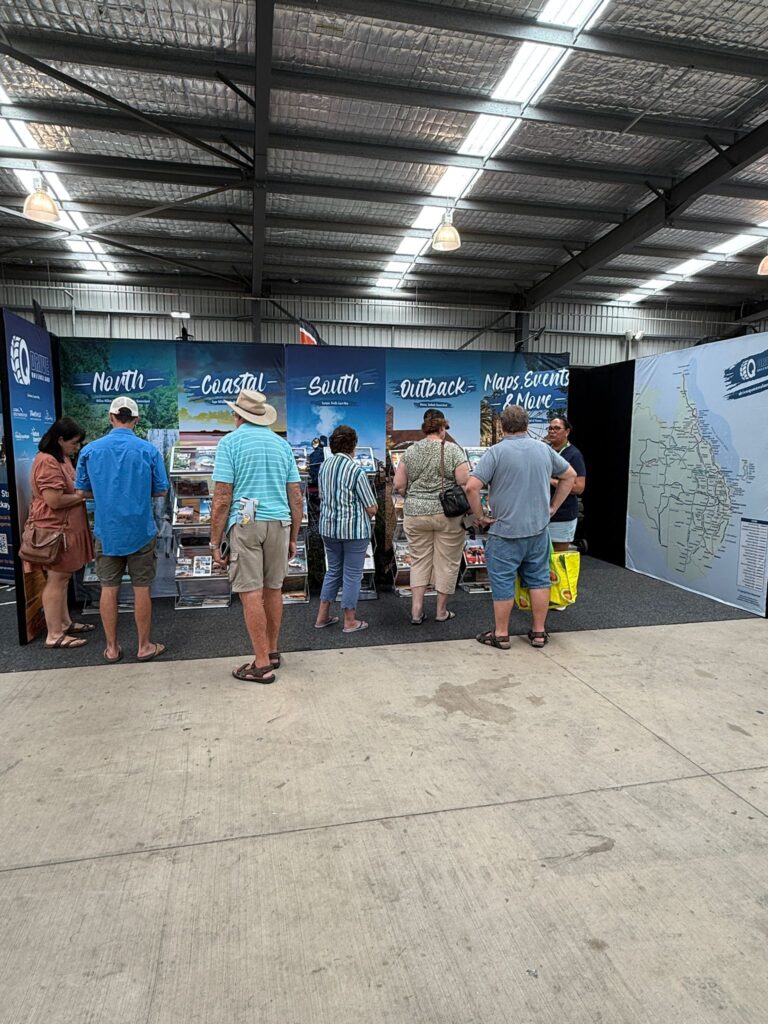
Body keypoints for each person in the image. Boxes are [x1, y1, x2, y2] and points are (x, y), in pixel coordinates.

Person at [209, 389, 303, 684]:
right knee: (274, 589)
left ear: (237, 415)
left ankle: (261, 663)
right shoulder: (281, 445)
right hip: (279, 521)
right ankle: (272, 651)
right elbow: (296, 497)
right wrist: (293, 537)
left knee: (251, 591)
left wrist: (214, 541)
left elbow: (223, 497)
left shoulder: (230, 443)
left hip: (246, 521)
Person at [466, 405, 576, 650]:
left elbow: (471, 487)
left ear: (502, 426)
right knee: (538, 580)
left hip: (505, 531)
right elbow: (570, 475)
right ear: (527, 424)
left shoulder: (495, 453)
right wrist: (553, 507)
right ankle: (539, 632)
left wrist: (481, 516)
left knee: (503, 582)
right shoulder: (543, 450)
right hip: (538, 530)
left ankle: (502, 634)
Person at [75, 396, 169, 664]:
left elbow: (81, 491)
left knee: (108, 589)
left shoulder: (90, 451)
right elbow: (161, 489)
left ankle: (112, 648)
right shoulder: (148, 450)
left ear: (110, 417)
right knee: (141, 589)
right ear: (136, 420)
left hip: (107, 531)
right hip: (141, 529)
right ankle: (144, 646)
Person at [392, 411, 470, 624]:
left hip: (415, 514)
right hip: (447, 514)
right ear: (442, 429)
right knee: (446, 562)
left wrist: (413, 496)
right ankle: (440, 611)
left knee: (419, 561)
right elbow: (464, 482)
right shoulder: (453, 450)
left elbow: (399, 485)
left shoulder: (410, 451)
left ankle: (416, 611)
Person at [26, 417, 94, 649]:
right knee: (56, 579)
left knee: (63, 578)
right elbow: (54, 500)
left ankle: (63, 623)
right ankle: (54, 634)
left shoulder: (61, 458)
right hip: (55, 531)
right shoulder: (46, 461)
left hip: (65, 530)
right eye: (74, 443)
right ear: (60, 439)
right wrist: (81, 496)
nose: (76, 447)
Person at [314, 425, 378, 634]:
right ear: (353, 445)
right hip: (353, 531)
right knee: (352, 574)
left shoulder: (324, 467)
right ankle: (350, 620)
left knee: (333, 571)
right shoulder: (356, 470)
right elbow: (371, 506)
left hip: (328, 528)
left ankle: (322, 616)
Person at [546, 416, 586, 552]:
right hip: (541, 514)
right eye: (550, 428)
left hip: (562, 515)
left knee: (558, 557)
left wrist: (552, 481)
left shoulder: (574, 455)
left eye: (557, 428)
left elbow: (579, 488)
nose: (552, 431)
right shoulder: (544, 451)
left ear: (567, 432)